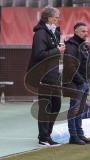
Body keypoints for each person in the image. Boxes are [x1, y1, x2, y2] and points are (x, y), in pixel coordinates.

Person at [27, 6, 65, 146]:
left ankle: (46, 135)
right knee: (46, 105)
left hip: (53, 74)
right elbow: (39, 55)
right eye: (56, 17)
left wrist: (58, 49)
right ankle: (43, 138)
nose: (58, 19)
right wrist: (57, 50)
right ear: (49, 18)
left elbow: (51, 52)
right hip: (42, 74)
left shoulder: (53, 32)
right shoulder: (40, 33)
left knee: (56, 103)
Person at [63, 22, 90, 145]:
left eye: (87, 31)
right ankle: (73, 136)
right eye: (83, 31)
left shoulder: (83, 45)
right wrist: (81, 80)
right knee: (74, 110)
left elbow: (85, 63)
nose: (86, 33)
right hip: (75, 83)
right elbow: (70, 67)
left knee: (80, 110)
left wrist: (88, 75)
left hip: (84, 81)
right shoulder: (71, 46)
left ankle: (80, 134)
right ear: (76, 32)